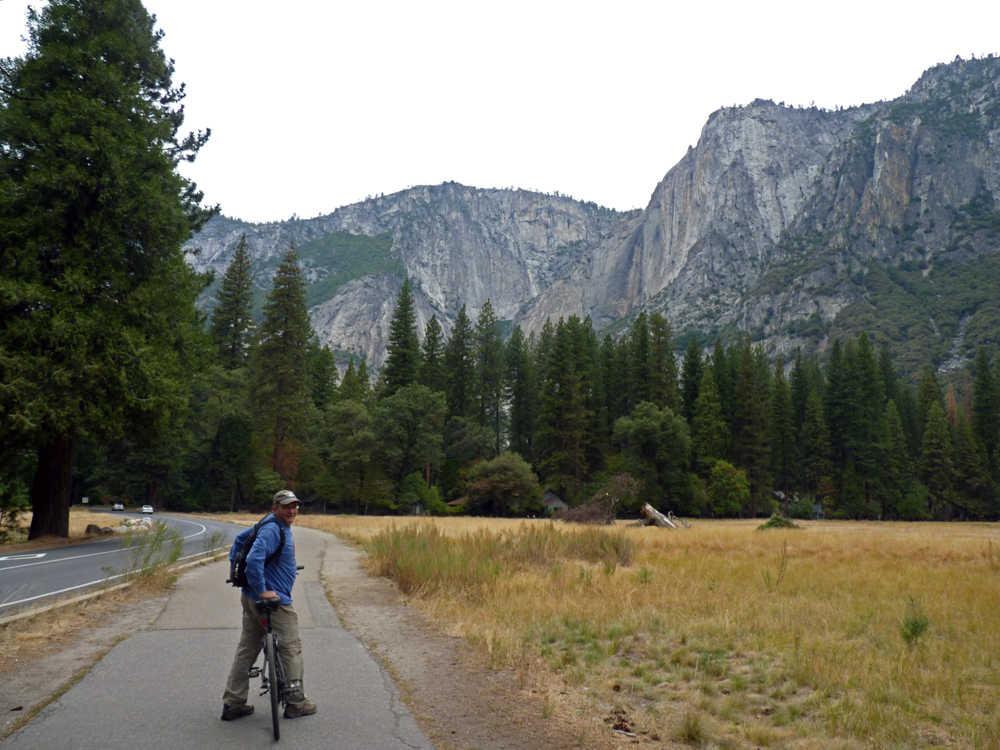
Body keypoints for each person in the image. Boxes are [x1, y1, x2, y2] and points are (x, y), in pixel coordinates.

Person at [221, 489, 317, 721]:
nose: (291, 510)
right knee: (290, 647)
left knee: (247, 647)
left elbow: (240, 540)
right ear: (275, 508)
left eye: (294, 506)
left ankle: (233, 703)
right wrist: (263, 589)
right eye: (286, 506)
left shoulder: (268, 523)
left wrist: (235, 569)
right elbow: (254, 559)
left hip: (250, 599)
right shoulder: (274, 528)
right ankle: (296, 703)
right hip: (273, 604)